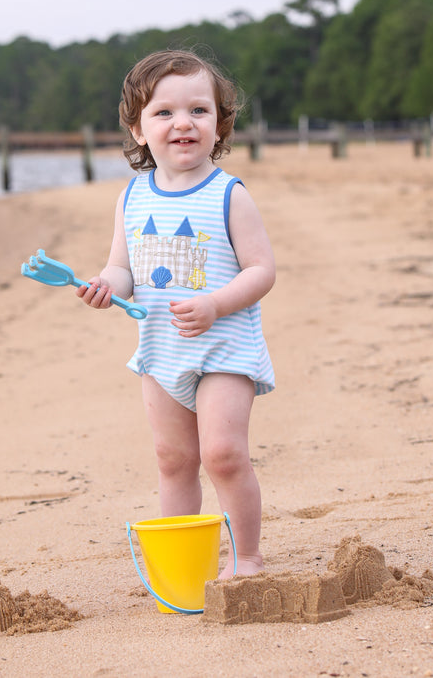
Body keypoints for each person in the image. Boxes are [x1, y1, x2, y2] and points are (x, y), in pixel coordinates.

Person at [76, 50, 275, 577]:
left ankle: (246, 557)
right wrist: (105, 286)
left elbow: (261, 271)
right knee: (173, 459)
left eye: (198, 111)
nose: (182, 122)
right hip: (161, 349)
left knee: (223, 453)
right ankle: (185, 567)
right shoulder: (133, 197)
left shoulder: (229, 194)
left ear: (219, 124)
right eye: (163, 113)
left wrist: (215, 303)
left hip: (224, 347)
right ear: (138, 129)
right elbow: (123, 267)